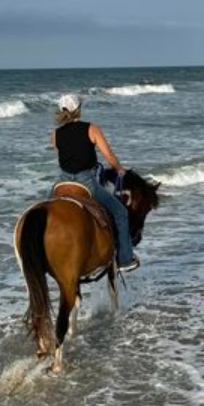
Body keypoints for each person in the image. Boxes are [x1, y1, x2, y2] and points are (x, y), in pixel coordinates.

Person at [51, 93, 140, 272]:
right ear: (79, 109)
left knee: (47, 209)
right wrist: (119, 169)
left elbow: (63, 157)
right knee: (120, 213)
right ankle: (124, 259)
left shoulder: (55, 134)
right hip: (86, 181)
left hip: (62, 181)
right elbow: (109, 156)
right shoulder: (92, 129)